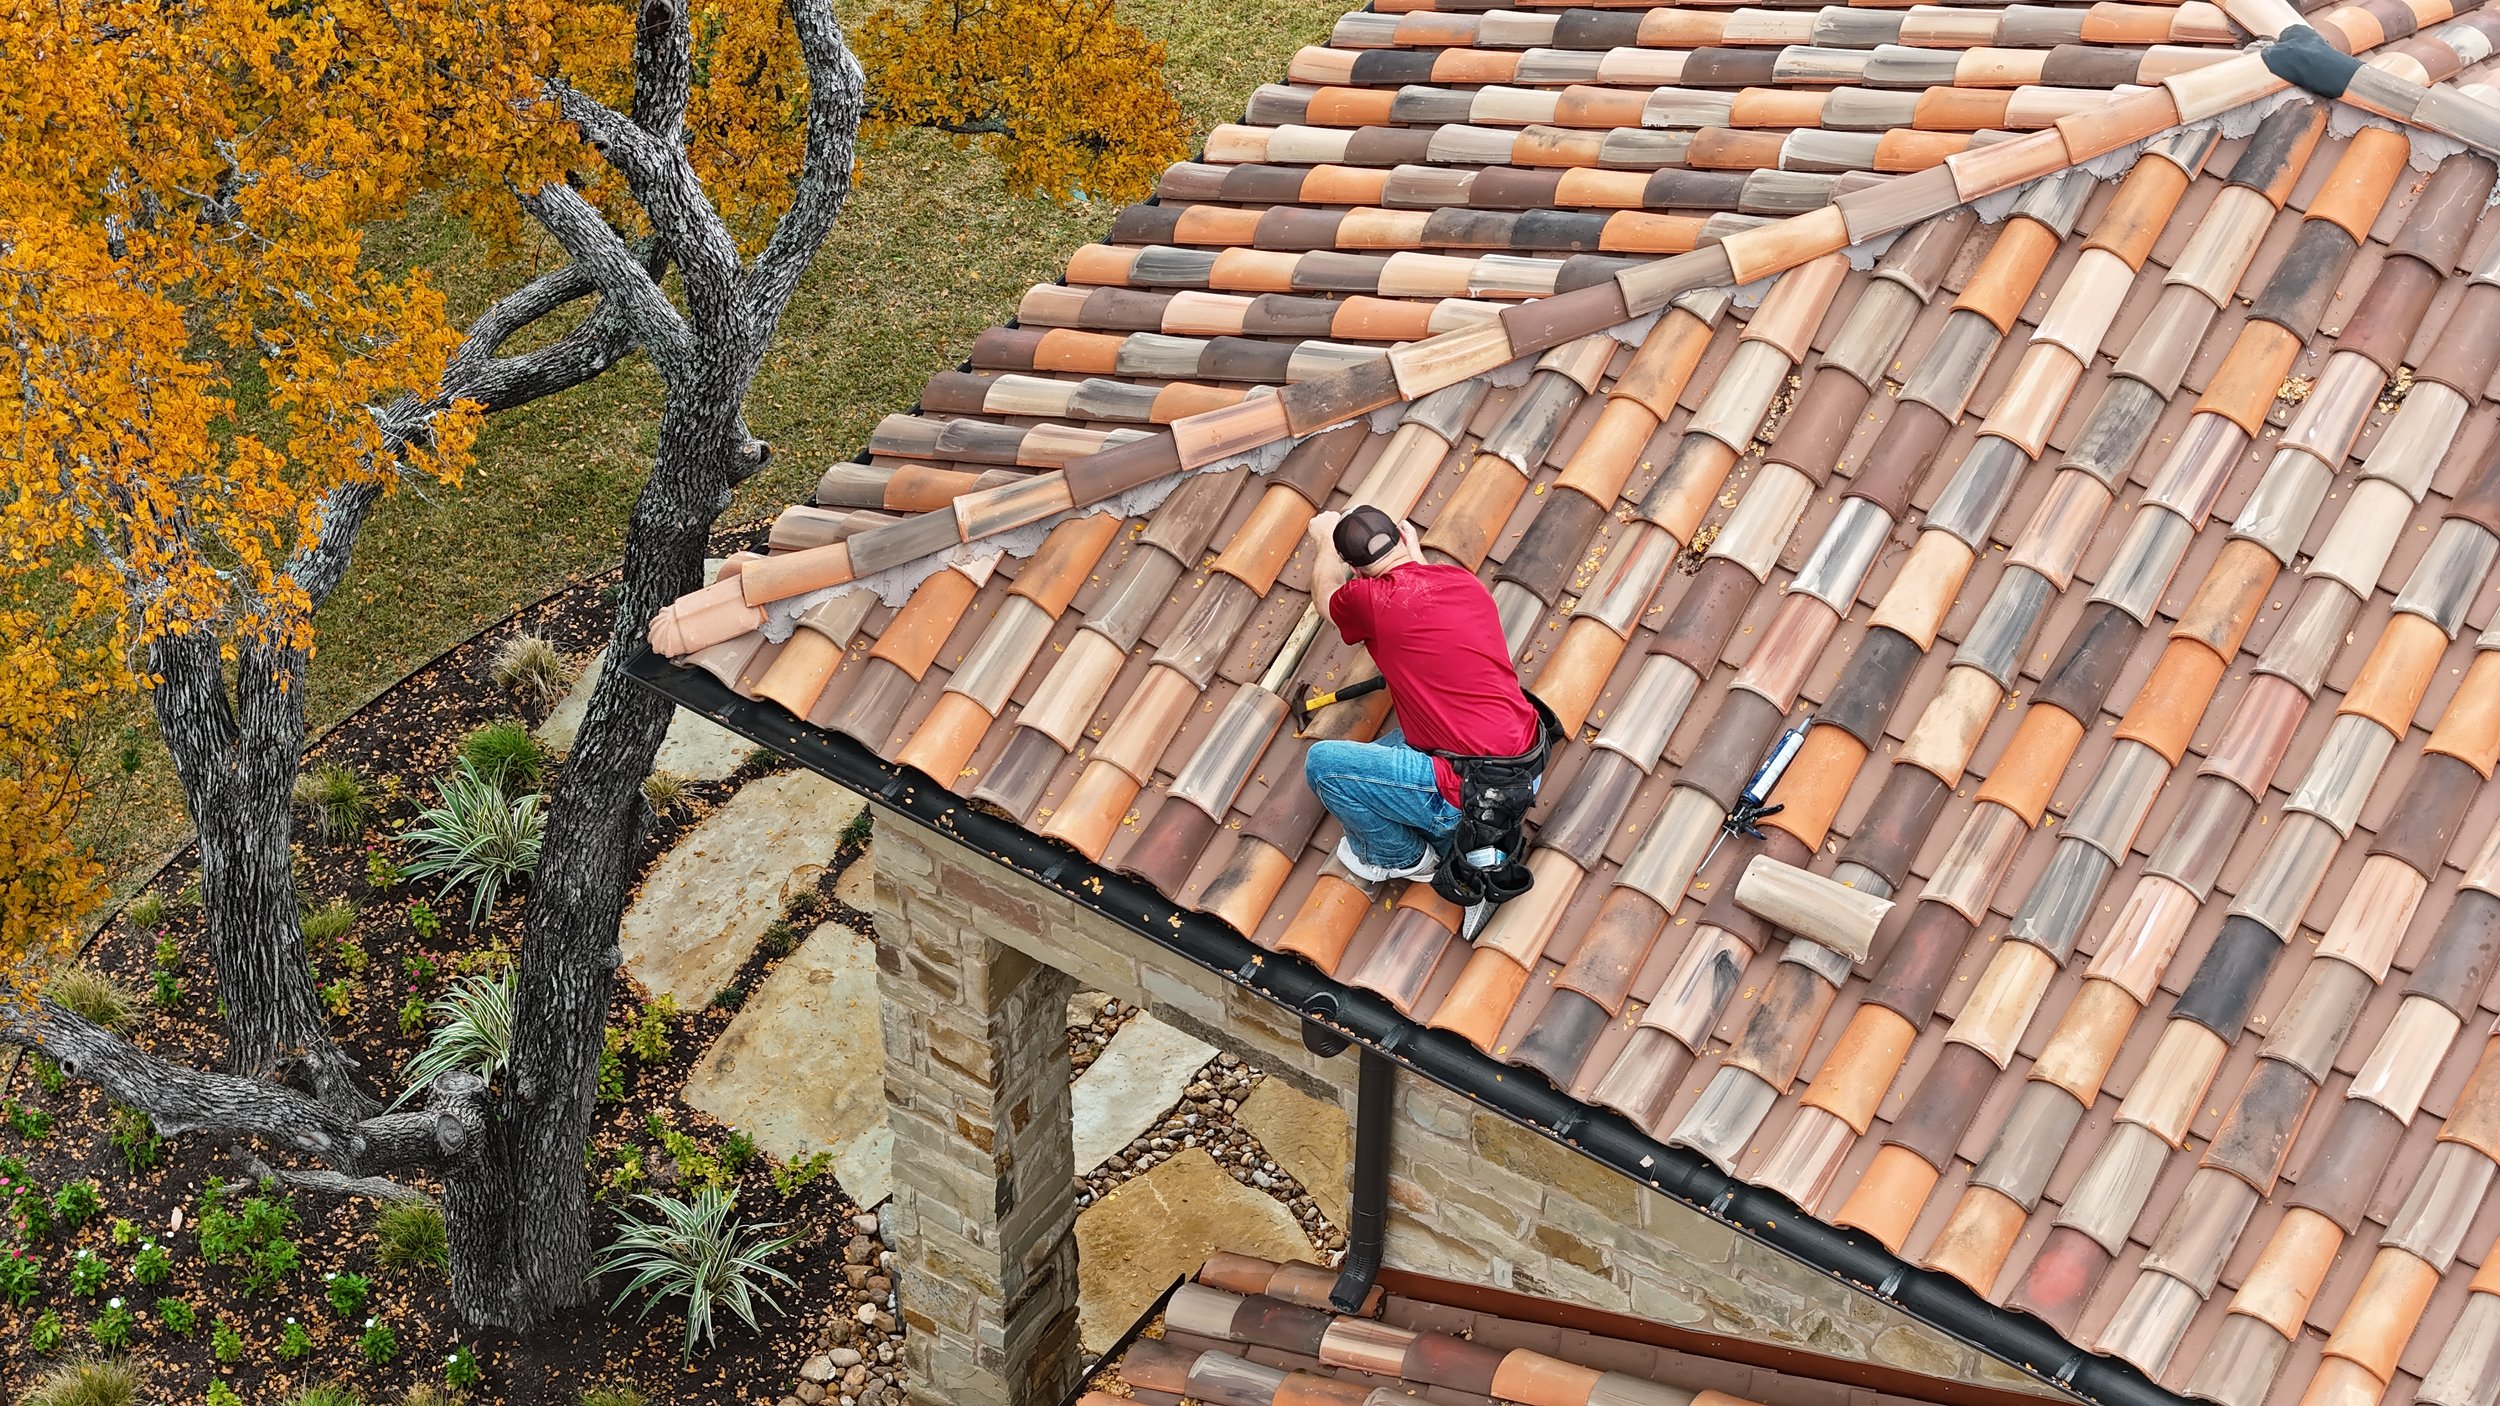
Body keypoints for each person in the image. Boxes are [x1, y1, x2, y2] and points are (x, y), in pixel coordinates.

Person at [1302, 506, 1561, 923]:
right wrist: (1413, 555)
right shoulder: (1461, 582)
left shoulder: (1369, 600)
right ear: (1405, 538)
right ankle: (1443, 824)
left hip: (1470, 795)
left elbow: (1326, 597)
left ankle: (1399, 856)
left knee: (1324, 766)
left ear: (1357, 570)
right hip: (1524, 765)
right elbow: (1419, 586)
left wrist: (1324, 541)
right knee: (1397, 740)